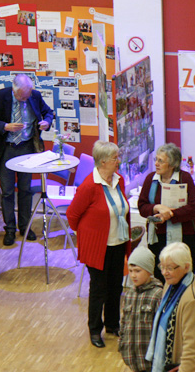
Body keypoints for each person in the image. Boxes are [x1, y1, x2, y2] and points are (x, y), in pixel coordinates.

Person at [67, 141, 131, 349]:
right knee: (98, 290)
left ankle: (113, 325)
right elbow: (72, 215)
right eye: (115, 158)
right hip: (98, 248)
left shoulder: (118, 181)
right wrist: (85, 235)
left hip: (118, 243)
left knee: (115, 288)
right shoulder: (89, 186)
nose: (118, 161)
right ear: (103, 161)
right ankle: (95, 330)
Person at [0, 74, 53, 246]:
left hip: (27, 147)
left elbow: (48, 112)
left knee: (25, 189)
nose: (25, 99)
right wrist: (5, 126)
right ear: (14, 90)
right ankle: (10, 229)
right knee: (6, 191)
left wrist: (46, 122)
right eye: (22, 96)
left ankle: (25, 226)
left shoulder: (34, 96)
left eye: (28, 95)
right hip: (7, 148)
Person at [146, 242, 195, 372]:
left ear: (186, 267)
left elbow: (192, 349)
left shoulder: (193, 300)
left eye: (170, 268)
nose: (164, 272)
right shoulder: (170, 284)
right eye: (162, 267)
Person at [137, 143, 195, 282]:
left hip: (184, 237)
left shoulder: (185, 179)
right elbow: (142, 206)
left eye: (161, 161)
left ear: (172, 164)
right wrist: (156, 208)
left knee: (183, 277)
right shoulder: (150, 179)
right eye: (156, 159)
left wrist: (171, 214)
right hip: (157, 237)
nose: (156, 164)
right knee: (160, 275)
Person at [119, 247, 164, 372]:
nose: (133, 275)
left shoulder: (158, 294)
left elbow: (162, 328)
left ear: (149, 271)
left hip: (150, 360)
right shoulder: (129, 294)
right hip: (132, 359)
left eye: (138, 271)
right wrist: (122, 344)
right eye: (131, 270)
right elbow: (124, 322)